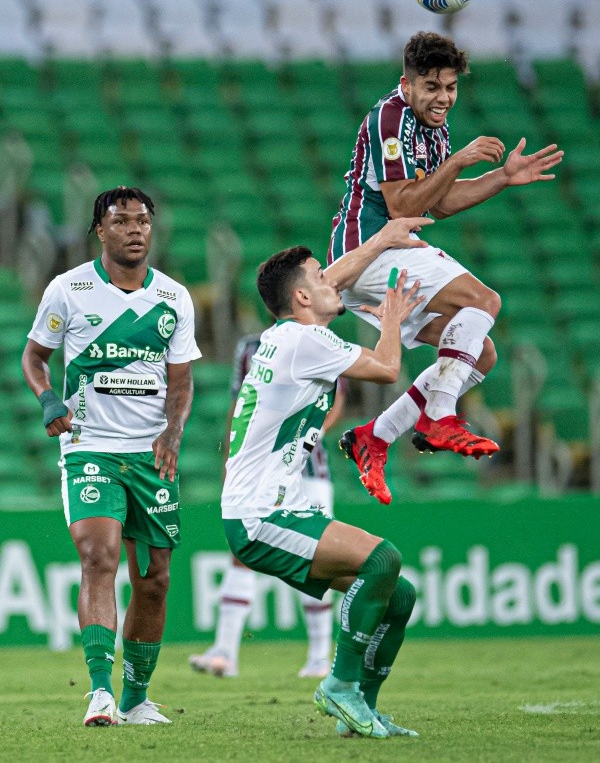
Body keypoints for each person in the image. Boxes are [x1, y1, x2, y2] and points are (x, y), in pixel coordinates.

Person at [328, 31, 564, 504]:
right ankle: (439, 416)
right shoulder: (390, 118)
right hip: (369, 249)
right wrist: (458, 160)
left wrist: (501, 177)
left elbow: (440, 202)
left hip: (390, 252)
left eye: (451, 87)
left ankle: (374, 436)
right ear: (407, 84)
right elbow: (402, 205)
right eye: (432, 86)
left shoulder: (434, 126)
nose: (443, 97)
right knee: (484, 300)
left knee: (481, 354)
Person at [221, 216, 431, 739]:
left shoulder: (289, 333)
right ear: (301, 297)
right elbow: (387, 368)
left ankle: (360, 710)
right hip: (261, 512)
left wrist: (381, 239)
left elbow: (331, 282)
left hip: (273, 506)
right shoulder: (303, 341)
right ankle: (338, 684)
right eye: (318, 277)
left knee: (397, 594)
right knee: (382, 559)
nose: (330, 281)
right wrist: (392, 318)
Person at [22, 186, 201, 727]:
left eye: (142, 221)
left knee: (155, 578)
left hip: (150, 454)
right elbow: (35, 357)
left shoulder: (174, 297)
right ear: (100, 230)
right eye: (121, 221)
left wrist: (173, 433)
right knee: (98, 556)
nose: (135, 230)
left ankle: (135, 698)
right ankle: (100, 692)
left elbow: (181, 381)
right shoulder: (68, 289)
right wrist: (49, 399)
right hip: (89, 446)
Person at [189, 329, 347, 679]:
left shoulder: (322, 340)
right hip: (259, 470)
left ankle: (319, 657)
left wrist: (311, 434)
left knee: (319, 556)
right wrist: (230, 462)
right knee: (243, 552)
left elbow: (338, 399)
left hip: (309, 470)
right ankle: (225, 652)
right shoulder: (249, 347)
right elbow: (237, 407)